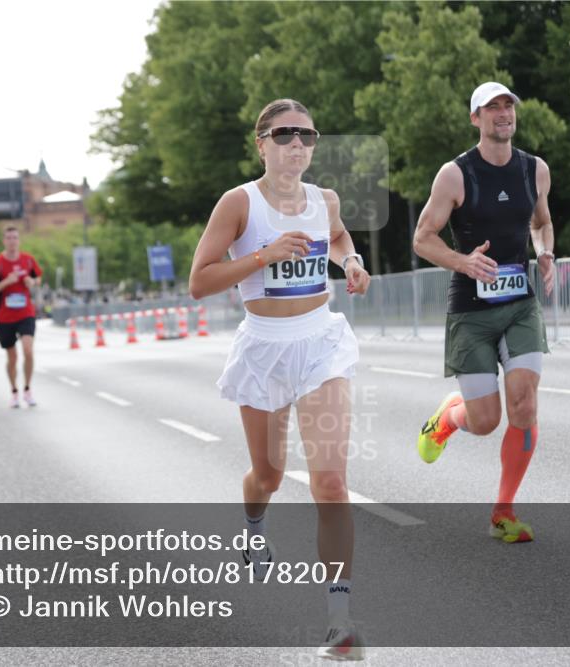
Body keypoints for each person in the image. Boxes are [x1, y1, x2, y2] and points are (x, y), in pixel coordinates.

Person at [189, 98, 370, 660]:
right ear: (261, 143)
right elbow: (200, 281)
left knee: (331, 483)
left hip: (320, 344)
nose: (298, 144)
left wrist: (353, 261)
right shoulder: (238, 203)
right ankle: (253, 526)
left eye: (308, 136)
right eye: (286, 134)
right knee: (267, 475)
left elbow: (337, 238)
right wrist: (264, 255)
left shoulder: (325, 200)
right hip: (264, 350)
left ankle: (338, 620)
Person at [413, 82, 555, 544]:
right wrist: (463, 261)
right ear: (475, 118)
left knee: (524, 405)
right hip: (471, 310)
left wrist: (546, 251)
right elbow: (422, 237)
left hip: (520, 305)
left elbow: (542, 222)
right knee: (485, 420)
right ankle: (448, 419)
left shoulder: (535, 169)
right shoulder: (455, 175)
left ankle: (503, 512)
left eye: (507, 105)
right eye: (491, 107)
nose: (502, 113)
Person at [0, 225, 42, 408]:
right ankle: (14, 391)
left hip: (26, 313)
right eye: (8, 238)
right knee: (12, 357)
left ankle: (27, 389)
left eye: (15, 237)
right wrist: (6, 282)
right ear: (4, 241)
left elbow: (38, 278)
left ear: (19, 240)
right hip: (5, 317)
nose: (12, 241)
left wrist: (32, 282)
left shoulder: (28, 260)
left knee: (28, 350)